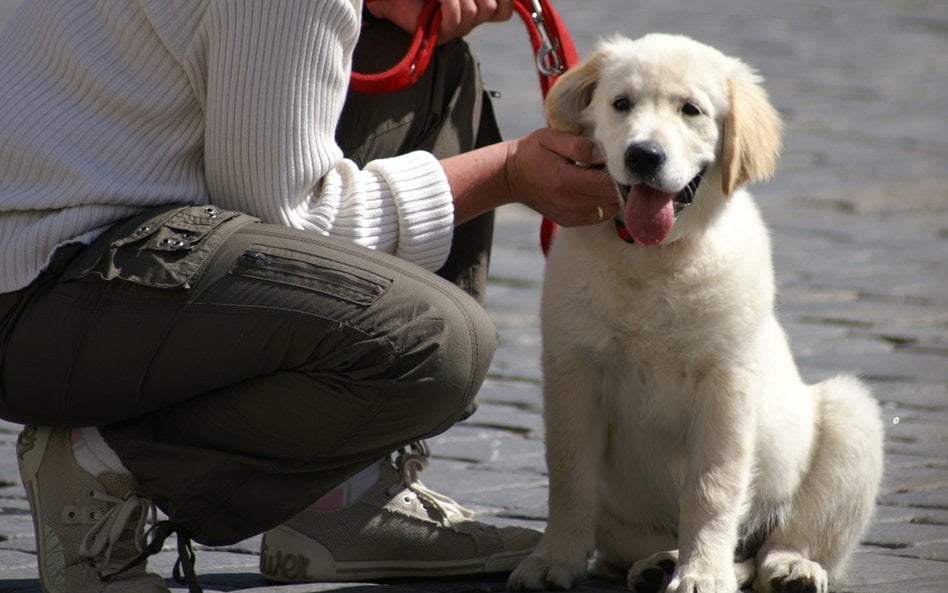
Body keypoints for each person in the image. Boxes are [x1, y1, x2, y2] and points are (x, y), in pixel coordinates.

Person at [0, 1, 618, 592]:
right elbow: (294, 222)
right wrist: (505, 173)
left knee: (432, 65)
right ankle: (100, 465)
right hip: (37, 291)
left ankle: (337, 498)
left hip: (77, 252)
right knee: (432, 340)